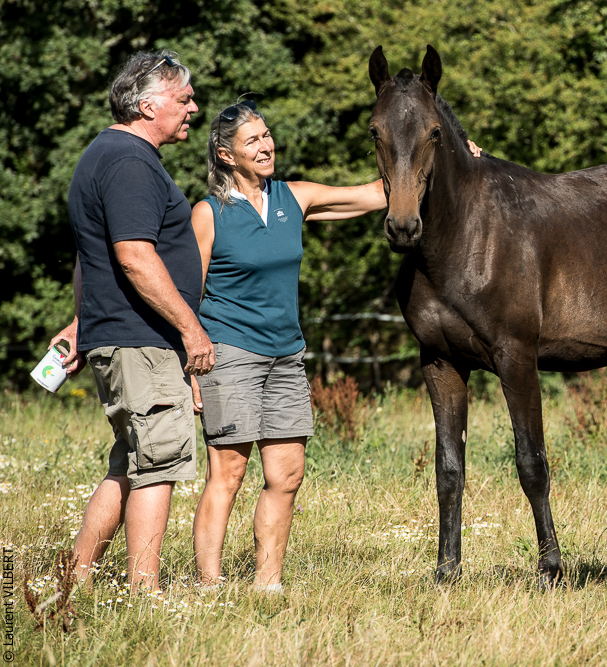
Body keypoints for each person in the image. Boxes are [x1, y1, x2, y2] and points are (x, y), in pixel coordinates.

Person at [190, 99, 481, 592]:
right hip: (230, 352)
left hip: (286, 355)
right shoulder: (209, 213)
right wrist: (192, 367)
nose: (266, 146)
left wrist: (453, 154)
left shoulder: (292, 197)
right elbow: (189, 294)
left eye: (266, 135)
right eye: (252, 140)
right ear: (225, 155)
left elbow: (376, 193)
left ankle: (267, 583)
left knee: (287, 474)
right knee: (229, 472)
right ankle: (209, 586)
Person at [49, 50, 214, 593]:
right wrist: (191, 329)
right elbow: (133, 256)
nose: (193, 108)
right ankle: (146, 594)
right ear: (148, 106)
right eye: (184, 98)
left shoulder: (105, 152)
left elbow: (90, 256)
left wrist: (82, 322)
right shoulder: (130, 161)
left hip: (120, 336)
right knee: (159, 465)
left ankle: (74, 581)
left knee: (129, 466)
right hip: (142, 343)